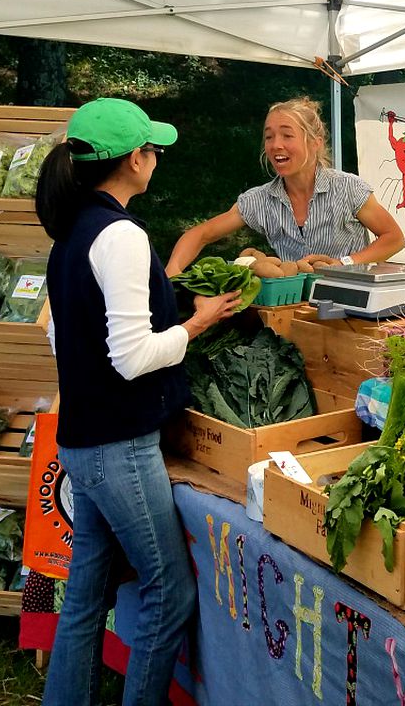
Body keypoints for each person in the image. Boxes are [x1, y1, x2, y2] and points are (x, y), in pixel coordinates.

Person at [36, 98, 241, 706]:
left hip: (81, 440)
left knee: (84, 594)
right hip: (118, 448)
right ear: (134, 159)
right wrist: (198, 323)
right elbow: (131, 357)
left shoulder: (71, 229)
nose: (156, 159)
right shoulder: (119, 233)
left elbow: (58, 335)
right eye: (152, 149)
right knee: (168, 591)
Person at [166, 96, 404, 275]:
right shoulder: (259, 200)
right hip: (291, 315)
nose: (275, 145)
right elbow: (199, 235)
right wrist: (170, 276)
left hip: (351, 309)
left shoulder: (348, 188)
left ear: (314, 143)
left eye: (287, 135)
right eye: (269, 136)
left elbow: (393, 238)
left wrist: (345, 262)